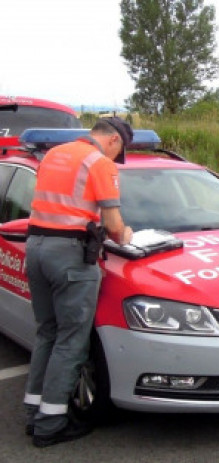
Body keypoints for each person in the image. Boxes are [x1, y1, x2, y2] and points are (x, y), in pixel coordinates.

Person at [23, 117, 134, 448]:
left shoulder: (54, 154)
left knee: (48, 332)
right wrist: (126, 235)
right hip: (70, 257)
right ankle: (51, 423)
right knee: (72, 339)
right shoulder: (99, 163)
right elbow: (114, 225)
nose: (117, 159)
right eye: (120, 152)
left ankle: (35, 412)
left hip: (36, 249)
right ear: (114, 140)